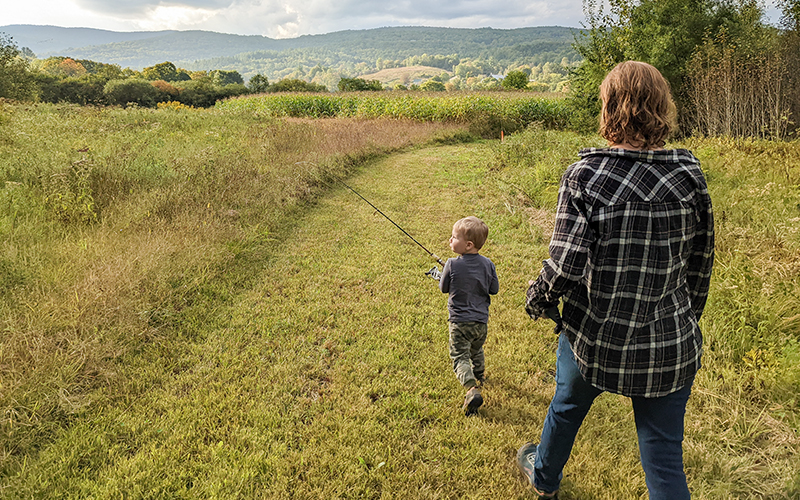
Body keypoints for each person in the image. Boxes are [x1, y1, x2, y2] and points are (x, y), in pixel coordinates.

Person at [516, 60, 715, 500]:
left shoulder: (586, 175)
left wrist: (538, 297)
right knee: (663, 456)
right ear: (662, 108)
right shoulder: (688, 174)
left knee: (566, 408)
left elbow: (565, 265)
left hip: (595, 337)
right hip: (669, 342)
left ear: (609, 109)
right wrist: (685, 318)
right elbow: (701, 263)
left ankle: (544, 476)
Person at [439, 216, 500, 416]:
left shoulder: (451, 264)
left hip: (459, 321)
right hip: (481, 322)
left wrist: (446, 274)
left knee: (459, 355)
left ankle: (471, 388)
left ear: (468, 244)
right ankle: (480, 375)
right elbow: (494, 289)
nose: (450, 240)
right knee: (476, 348)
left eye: (454, 237)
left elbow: (444, 288)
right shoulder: (489, 264)